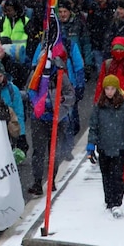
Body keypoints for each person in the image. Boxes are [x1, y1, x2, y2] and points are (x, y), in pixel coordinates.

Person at [26, 47, 75, 197]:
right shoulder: (35, 75)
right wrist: (37, 105)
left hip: (58, 120)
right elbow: (29, 91)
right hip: (39, 119)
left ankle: (51, 179)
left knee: (54, 152)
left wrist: (59, 106)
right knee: (38, 152)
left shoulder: (61, 75)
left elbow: (70, 94)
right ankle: (37, 182)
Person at [86, 75, 124, 219]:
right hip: (104, 147)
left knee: (117, 176)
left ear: (117, 89)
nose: (109, 92)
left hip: (119, 148)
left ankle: (116, 202)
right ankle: (109, 201)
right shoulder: (99, 107)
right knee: (106, 175)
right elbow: (93, 127)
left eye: (112, 89)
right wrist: (91, 146)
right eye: (107, 89)